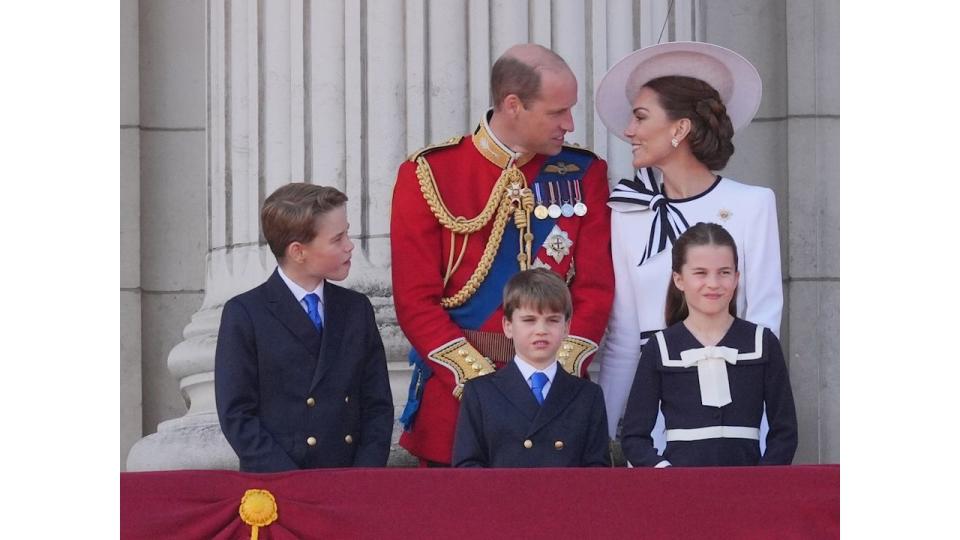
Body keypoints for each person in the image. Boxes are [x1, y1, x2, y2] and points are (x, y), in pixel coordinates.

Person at [391, 43, 614, 466]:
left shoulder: (585, 172)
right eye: (556, 112)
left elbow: (596, 291)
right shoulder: (430, 173)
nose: (569, 124)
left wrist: (552, 375)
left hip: (556, 405)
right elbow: (415, 302)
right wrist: (486, 389)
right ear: (513, 105)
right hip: (458, 406)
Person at [593, 41, 784, 444]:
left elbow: (764, 322)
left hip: (733, 411)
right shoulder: (627, 213)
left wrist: (763, 430)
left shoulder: (752, 204)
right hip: (654, 416)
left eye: (641, 118)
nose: (629, 130)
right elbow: (624, 338)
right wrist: (602, 435)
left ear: (679, 128)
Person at [215, 183, 394, 472]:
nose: (349, 245)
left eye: (346, 232)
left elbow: (377, 405)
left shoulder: (356, 309)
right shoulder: (246, 313)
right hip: (279, 486)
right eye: (337, 239)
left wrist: (364, 475)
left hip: (349, 483)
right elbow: (237, 415)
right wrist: (290, 482)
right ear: (298, 252)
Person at [620, 223, 797, 466]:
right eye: (700, 273)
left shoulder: (762, 342)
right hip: (681, 492)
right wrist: (665, 474)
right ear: (679, 279)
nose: (713, 283)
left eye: (724, 272)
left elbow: (785, 432)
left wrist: (762, 480)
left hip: (749, 492)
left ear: (736, 278)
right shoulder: (659, 347)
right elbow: (634, 437)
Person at [452, 269, 610, 467]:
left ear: (567, 327)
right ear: (508, 326)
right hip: (502, 497)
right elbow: (468, 469)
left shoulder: (588, 395)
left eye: (552, 320)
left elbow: (597, 473)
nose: (541, 330)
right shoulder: (480, 393)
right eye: (529, 320)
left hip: (566, 497)